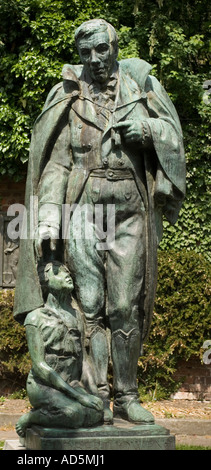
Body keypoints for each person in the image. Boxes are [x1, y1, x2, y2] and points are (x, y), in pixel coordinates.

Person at [14, 19, 186, 425]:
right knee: (88, 308)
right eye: (85, 53)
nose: (93, 60)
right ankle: (97, 397)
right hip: (85, 211)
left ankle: (128, 395)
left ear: (114, 47)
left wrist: (146, 129)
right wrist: (49, 220)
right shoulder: (67, 96)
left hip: (129, 210)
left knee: (125, 305)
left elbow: (173, 134)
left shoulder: (142, 84)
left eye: (100, 50)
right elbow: (54, 164)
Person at [16, 261, 104, 437]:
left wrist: (93, 393)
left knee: (96, 413)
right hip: (43, 385)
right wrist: (79, 397)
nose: (67, 276)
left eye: (68, 273)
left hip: (71, 383)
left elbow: (83, 359)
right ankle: (33, 418)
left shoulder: (76, 316)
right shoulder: (35, 318)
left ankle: (61, 410)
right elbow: (40, 366)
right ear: (46, 281)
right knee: (74, 414)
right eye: (59, 273)